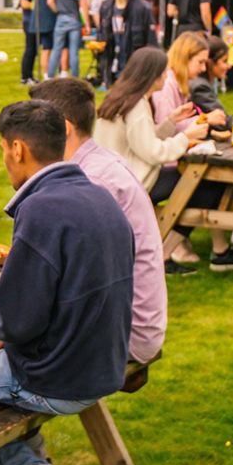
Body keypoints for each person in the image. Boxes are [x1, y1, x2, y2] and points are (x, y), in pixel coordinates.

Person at [0, 100, 133, 465]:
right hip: (101, 363)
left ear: (17, 148)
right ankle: (27, 464)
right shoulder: (98, 195)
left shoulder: (43, 209)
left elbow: (11, 321)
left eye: (3, 149)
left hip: (56, 377)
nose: (4, 160)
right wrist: (4, 334)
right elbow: (52, 306)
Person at [30, 79, 165, 364]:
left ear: (63, 128)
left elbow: (69, 278)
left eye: (32, 126)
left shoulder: (91, 181)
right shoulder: (97, 162)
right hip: (131, 319)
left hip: (126, 332)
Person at [93, 47, 233, 272]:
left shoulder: (122, 98)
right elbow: (154, 152)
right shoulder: (137, 105)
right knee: (205, 184)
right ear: (152, 75)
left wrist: (171, 121)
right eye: (162, 72)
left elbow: (140, 142)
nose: (166, 76)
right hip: (133, 184)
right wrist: (185, 138)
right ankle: (164, 254)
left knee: (201, 181)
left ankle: (180, 250)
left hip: (116, 179)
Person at [97, 0, 156, 87]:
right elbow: (102, 35)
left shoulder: (142, 8)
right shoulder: (106, 6)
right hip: (112, 65)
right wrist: (100, 45)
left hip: (134, 66)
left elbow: (151, 42)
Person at [46, 0, 89, 78]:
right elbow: (84, 6)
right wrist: (87, 24)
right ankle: (75, 77)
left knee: (56, 49)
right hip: (74, 20)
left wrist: (58, 11)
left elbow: (50, 1)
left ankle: (50, 76)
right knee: (73, 51)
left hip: (61, 19)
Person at [15, 0, 53, 85]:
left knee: (34, 50)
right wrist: (39, 7)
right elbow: (24, 3)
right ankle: (25, 77)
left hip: (35, 21)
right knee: (30, 49)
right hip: (29, 21)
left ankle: (30, 76)